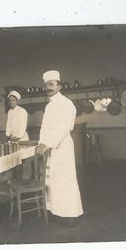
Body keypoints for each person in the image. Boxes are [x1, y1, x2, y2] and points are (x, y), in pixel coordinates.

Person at [36, 70, 83, 226]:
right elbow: (44, 127)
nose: (48, 87)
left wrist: (48, 144)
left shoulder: (66, 104)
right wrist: (41, 143)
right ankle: (56, 211)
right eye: (46, 85)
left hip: (62, 146)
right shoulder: (49, 106)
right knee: (53, 180)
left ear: (59, 86)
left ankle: (70, 215)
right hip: (50, 147)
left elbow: (63, 128)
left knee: (65, 180)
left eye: (51, 84)